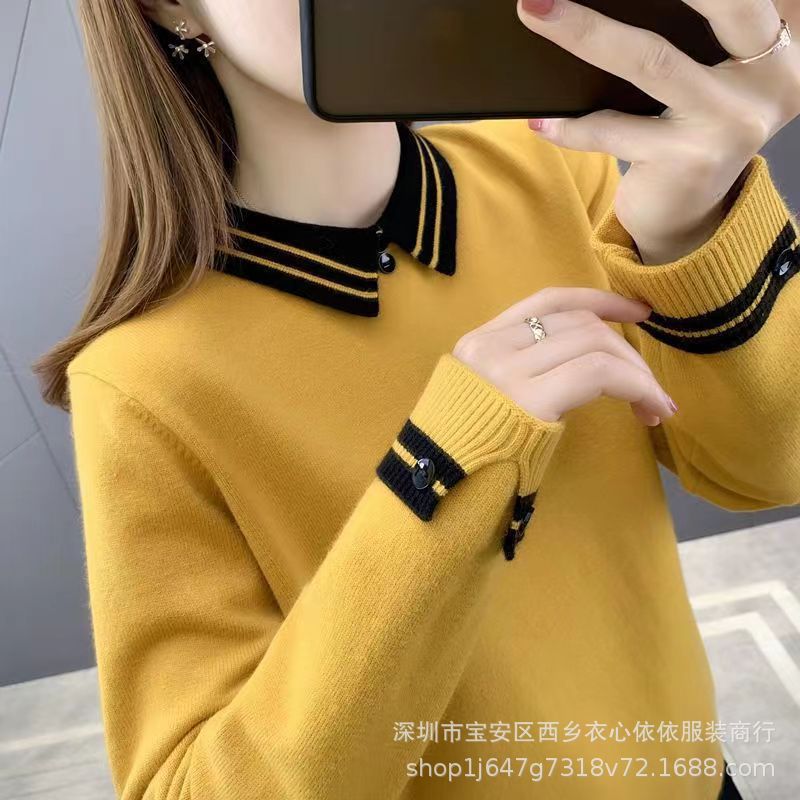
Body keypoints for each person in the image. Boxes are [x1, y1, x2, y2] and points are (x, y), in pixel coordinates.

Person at [34, 0, 799, 798]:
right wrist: (442, 465)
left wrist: (690, 230)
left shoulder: (556, 165)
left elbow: (767, 471)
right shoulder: (141, 384)